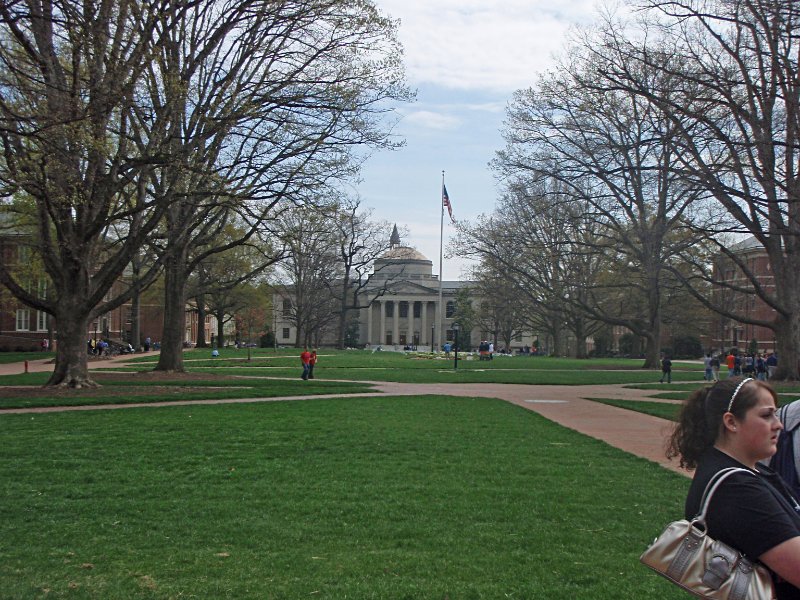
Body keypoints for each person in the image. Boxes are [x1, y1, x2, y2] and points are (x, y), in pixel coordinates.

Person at [666, 378, 800, 598]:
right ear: (731, 422)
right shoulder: (736, 490)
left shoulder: (749, 470)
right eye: (766, 415)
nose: (779, 424)